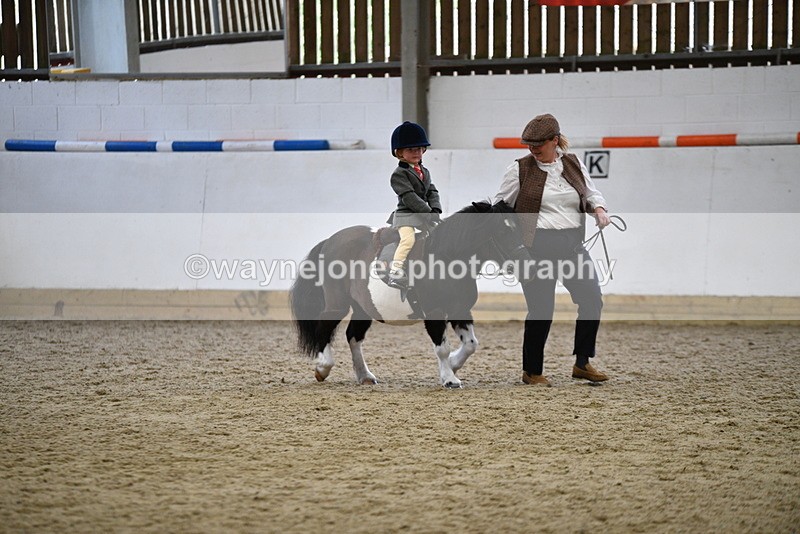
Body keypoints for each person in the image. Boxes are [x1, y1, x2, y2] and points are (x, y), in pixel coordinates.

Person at [494, 113, 611, 385]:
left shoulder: (573, 163)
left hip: (572, 245)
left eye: (538, 144)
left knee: (592, 299)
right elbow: (501, 205)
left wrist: (599, 209)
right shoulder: (519, 169)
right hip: (536, 248)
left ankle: (582, 363)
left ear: (554, 140)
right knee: (541, 310)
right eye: (529, 144)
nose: (532, 148)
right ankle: (532, 371)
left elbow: (591, 193)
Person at [387, 121, 442, 286]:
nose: (416, 152)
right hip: (407, 216)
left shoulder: (424, 171)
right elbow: (409, 197)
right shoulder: (399, 174)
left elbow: (432, 191)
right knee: (408, 240)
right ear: (399, 153)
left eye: (419, 149)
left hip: (425, 214)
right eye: (411, 149)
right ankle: (395, 272)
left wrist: (435, 209)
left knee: (440, 237)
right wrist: (428, 213)